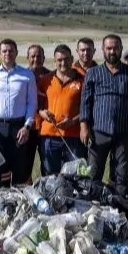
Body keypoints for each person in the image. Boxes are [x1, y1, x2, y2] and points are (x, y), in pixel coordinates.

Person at [80, 34, 128, 192]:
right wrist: (84, 127)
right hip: (98, 131)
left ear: (121, 49)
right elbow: (85, 102)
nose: (112, 51)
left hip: (123, 132)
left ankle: (119, 204)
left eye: (116, 48)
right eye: (109, 48)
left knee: (121, 176)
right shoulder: (93, 73)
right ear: (103, 49)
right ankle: (93, 203)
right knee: (93, 173)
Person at [0, 39, 37, 190]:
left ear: (16, 53)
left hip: (18, 127)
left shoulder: (27, 75)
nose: (8, 54)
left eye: (11, 51)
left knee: (18, 168)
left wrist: (27, 126)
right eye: (4, 51)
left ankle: (17, 201)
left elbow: (32, 103)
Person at [39, 44, 86, 175]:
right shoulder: (46, 80)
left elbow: (88, 108)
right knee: (50, 175)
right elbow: (38, 106)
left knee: (75, 175)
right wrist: (43, 113)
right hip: (49, 135)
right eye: (59, 60)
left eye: (66, 59)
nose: (63, 63)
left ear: (72, 59)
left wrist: (73, 121)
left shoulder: (82, 80)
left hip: (74, 136)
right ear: (54, 61)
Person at [20, 43, 51, 183]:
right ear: (27, 58)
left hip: (46, 128)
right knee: (25, 166)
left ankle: (47, 191)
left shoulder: (51, 77)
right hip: (28, 128)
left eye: (39, 56)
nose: (36, 59)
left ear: (44, 58)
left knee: (48, 166)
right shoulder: (21, 76)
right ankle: (27, 192)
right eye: (33, 56)